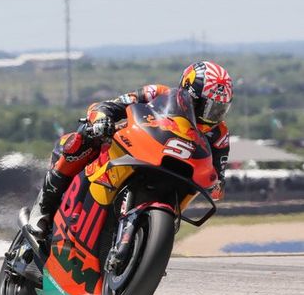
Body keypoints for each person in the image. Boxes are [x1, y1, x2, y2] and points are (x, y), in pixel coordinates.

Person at [28, 60, 233, 237]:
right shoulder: (157, 93)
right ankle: (44, 205)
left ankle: (147, 249)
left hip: (173, 180)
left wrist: (214, 185)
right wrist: (102, 120)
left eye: (220, 109)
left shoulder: (220, 135)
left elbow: (217, 180)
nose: (213, 116)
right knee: (83, 137)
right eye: (209, 108)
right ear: (190, 95)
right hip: (133, 148)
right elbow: (110, 105)